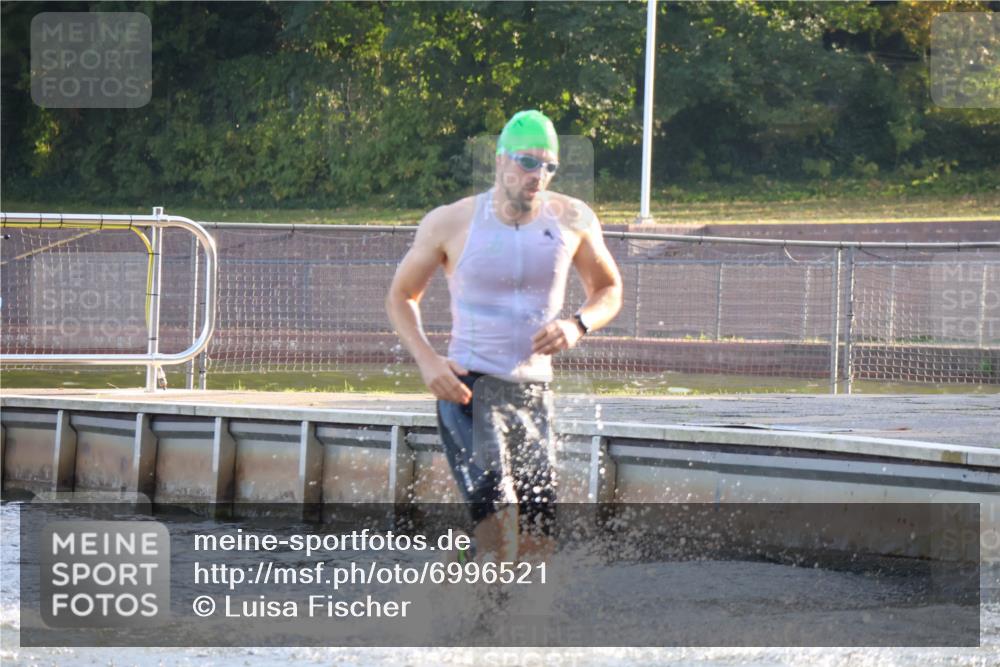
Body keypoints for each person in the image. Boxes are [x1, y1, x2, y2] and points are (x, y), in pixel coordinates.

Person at [385, 110, 622, 563]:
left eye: (549, 166)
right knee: (502, 532)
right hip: (468, 391)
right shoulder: (451, 222)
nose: (538, 175)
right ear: (499, 161)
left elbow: (609, 289)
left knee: (538, 546)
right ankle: (481, 592)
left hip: (534, 393)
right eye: (527, 162)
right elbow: (401, 296)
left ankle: (467, 580)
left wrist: (578, 324)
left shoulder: (573, 219)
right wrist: (428, 361)